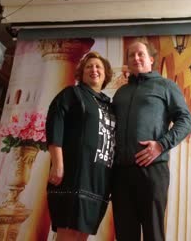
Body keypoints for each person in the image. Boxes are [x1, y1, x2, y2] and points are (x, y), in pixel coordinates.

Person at [112, 41, 191, 241]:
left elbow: (186, 121)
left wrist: (161, 145)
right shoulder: (120, 93)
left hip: (152, 170)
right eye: (131, 56)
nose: (136, 58)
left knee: (153, 235)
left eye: (140, 54)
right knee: (124, 235)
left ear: (151, 59)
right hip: (120, 174)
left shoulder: (166, 86)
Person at [45, 51, 115, 241]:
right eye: (89, 66)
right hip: (74, 175)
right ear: (81, 73)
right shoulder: (72, 94)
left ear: (105, 74)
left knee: (82, 236)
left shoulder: (109, 106)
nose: (94, 70)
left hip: (98, 180)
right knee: (68, 233)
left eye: (98, 67)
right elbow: (55, 126)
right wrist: (57, 163)